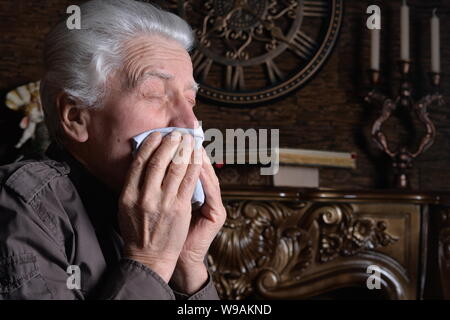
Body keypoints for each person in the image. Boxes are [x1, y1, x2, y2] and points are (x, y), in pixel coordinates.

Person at [0, 0, 226, 300]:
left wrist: (188, 266)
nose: (188, 122)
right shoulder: (22, 202)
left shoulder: (161, 213)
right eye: (155, 94)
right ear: (76, 116)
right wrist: (150, 260)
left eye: (190, 100)